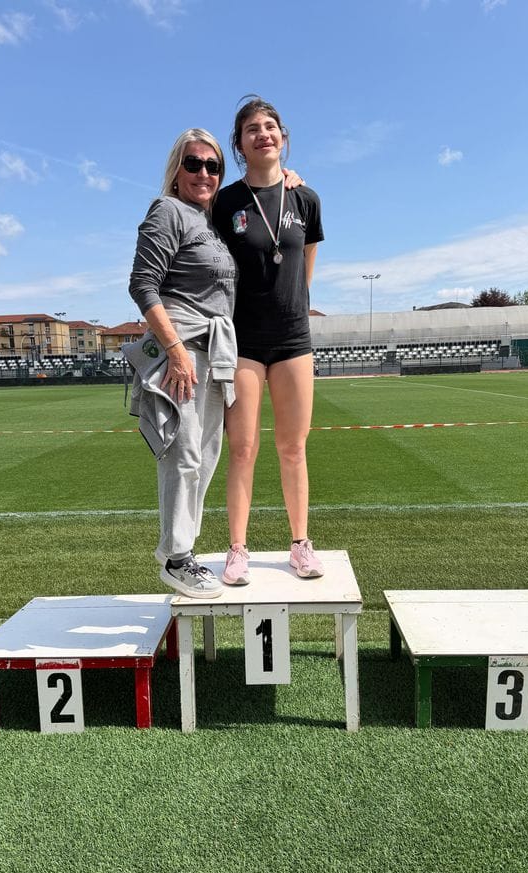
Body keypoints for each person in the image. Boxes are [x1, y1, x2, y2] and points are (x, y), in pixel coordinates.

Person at [212, 97, 325, 586]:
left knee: (293, 446)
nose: (263, 133)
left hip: (293, 339)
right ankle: (238, 549)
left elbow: (306, 269)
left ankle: (300, 543)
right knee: (242, 447)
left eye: (271, 126)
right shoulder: (226, 202)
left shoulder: (306, 199)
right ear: (240, 144)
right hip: (242, 341)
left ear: (283, 137)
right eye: (252, 128)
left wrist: (292, 310)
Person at [127, 128, 238, 599]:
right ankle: (176, 557)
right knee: (184, 453)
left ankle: (185, 550)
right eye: (194, 163)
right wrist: (174, 351)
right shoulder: (168, 210)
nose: (204, 173)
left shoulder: (208, 221)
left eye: (213, 166)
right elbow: (142, 284)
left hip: (213, 351)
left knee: (205, 456)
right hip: (185, 348)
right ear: (177, 170)